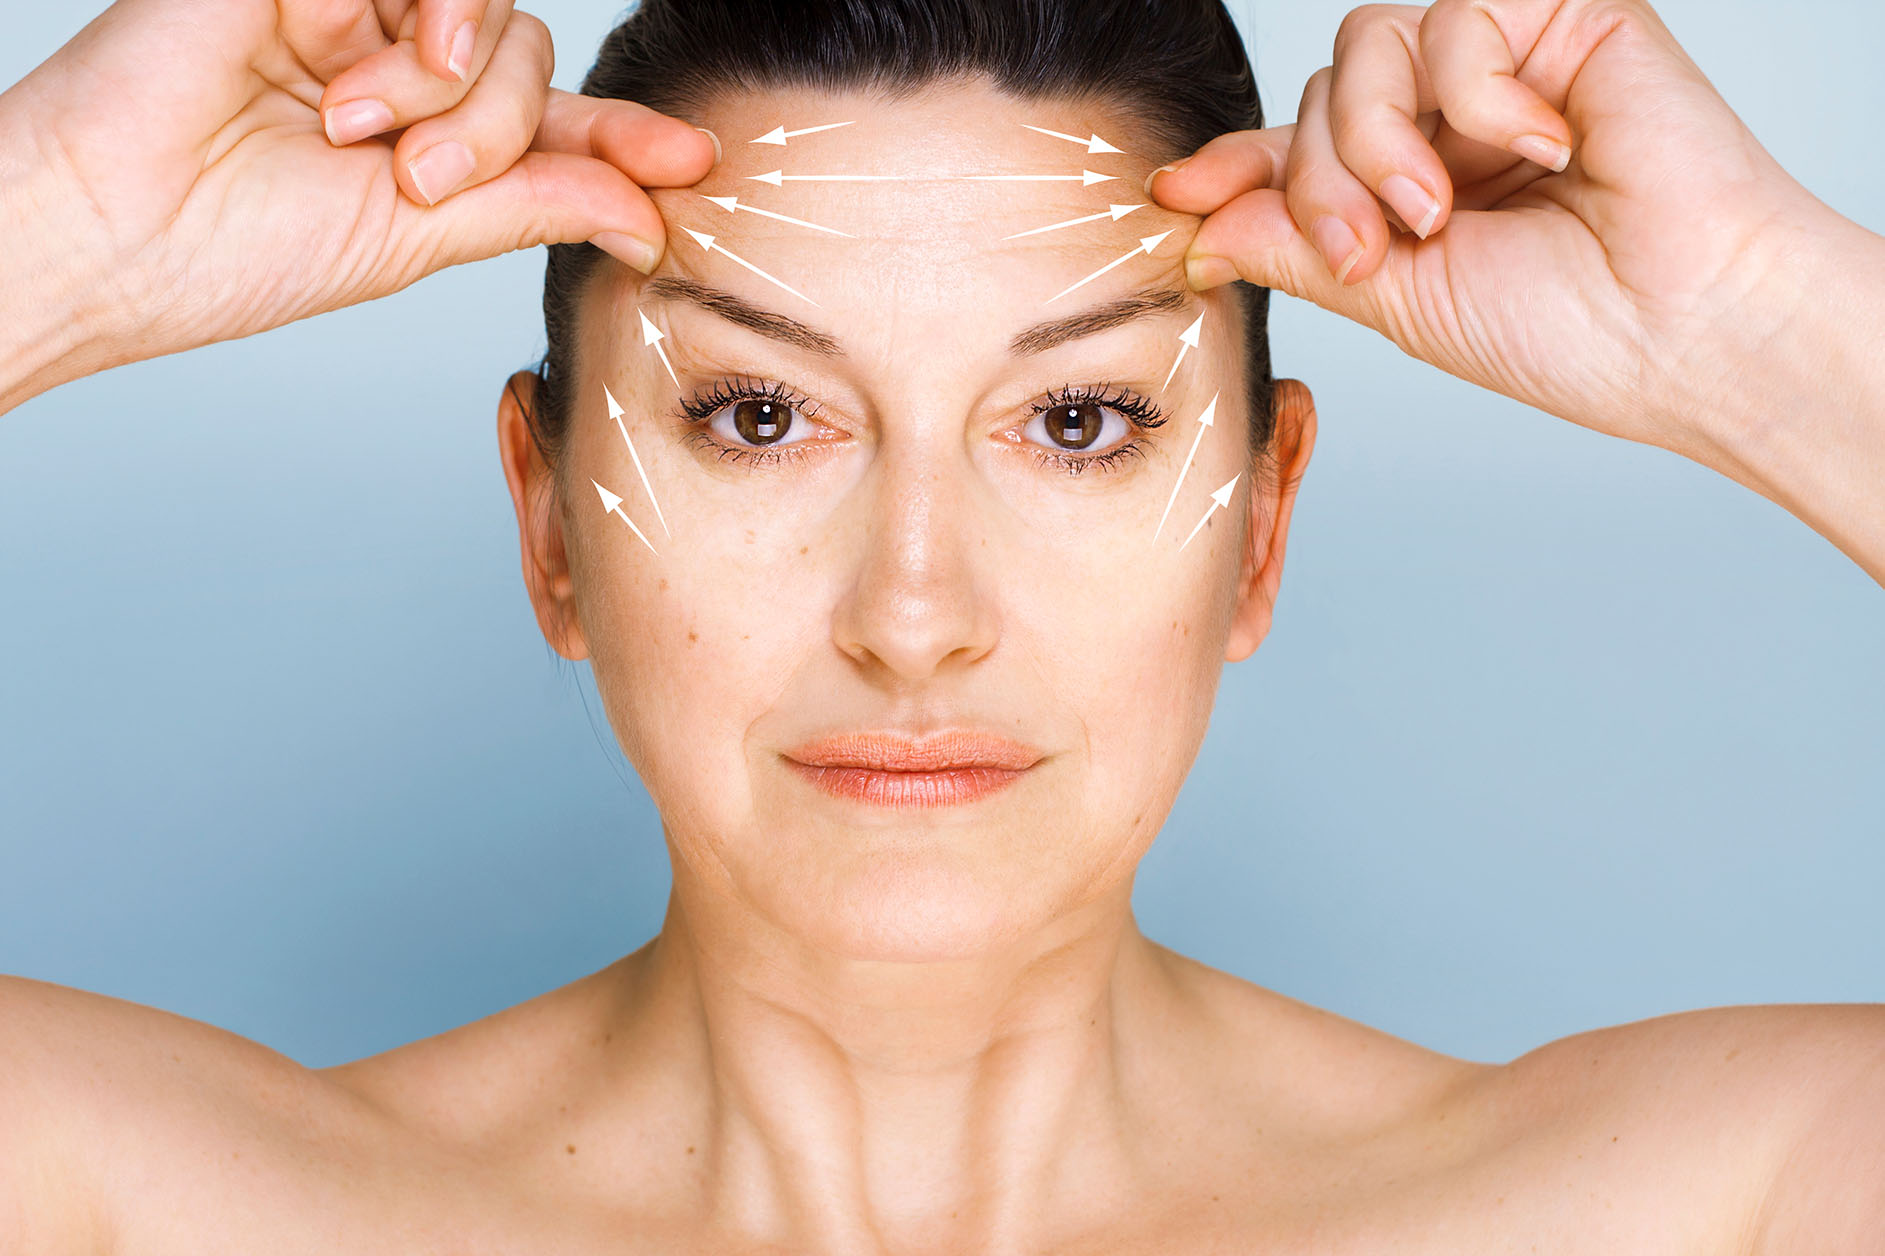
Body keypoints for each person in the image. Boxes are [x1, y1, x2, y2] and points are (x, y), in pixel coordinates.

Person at [1, 0, 1879, 1252]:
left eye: (1077, 423)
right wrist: (59, 226)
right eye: (755, 416)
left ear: (1261, 530)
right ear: (547, 519)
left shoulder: (1728, 1203)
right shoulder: (122, 1199)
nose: (916, 616)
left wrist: (1766, 338)